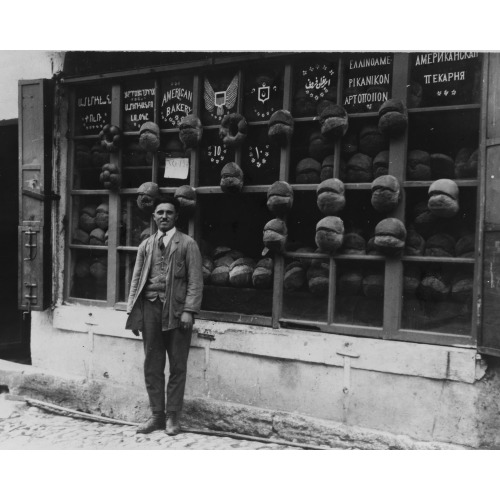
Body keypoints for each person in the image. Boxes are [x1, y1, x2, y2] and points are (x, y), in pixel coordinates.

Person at [125, 195, 203, 435]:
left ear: (176, 216)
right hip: (149, 309)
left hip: (178, 312)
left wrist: (189, 311)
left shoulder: (188, 244)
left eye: (169, 213)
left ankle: (172, 418)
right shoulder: (146, 245)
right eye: (160, 213)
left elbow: (195, 281)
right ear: (154, 217)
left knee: (178, 365)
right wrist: (133, 312)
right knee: (152, 364)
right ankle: (156, 415)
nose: (164, 217)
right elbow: (136, 281)